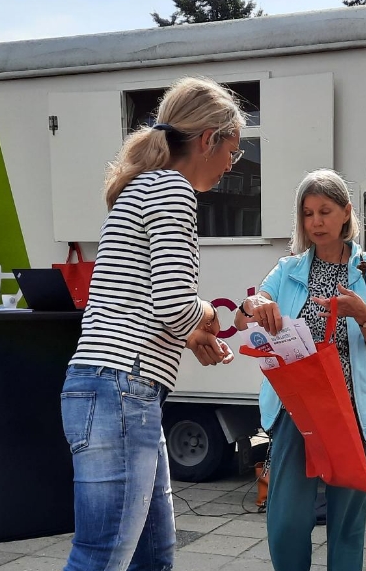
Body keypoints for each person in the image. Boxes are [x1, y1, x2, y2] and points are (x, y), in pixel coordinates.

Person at [60, 76, 244, 571]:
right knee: (102, 557)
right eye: (232, 149)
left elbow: (150, 305)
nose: (231, 164)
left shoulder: (144, 186)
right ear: (207, 138)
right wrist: (211, 316)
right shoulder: (172, 190)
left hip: (113, 387)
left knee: (153, 555)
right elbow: (175, 306)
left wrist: (193, 334)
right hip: (122, 391)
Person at [235, 169, 366, 571]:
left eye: (325, 212)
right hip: (299, 413)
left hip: (355, 415)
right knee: (287, 521)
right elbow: (243, 321)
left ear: (346, 213)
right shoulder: (289, 269)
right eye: (308, 214)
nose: (316, 223)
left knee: (346, 526)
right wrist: (252, 306)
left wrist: (364, 316)